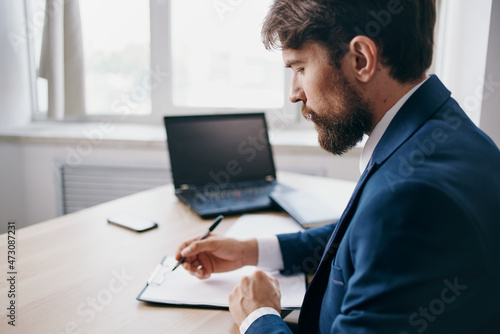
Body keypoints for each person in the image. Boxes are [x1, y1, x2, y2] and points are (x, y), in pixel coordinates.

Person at [175, 0, 500, 333]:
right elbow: (367, 238)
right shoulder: (441, 130)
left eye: (300, 67)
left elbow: (391, 227)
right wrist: (254, 251)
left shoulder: (411, 198)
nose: (294, 93)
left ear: (361, 59)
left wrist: (258, 317)